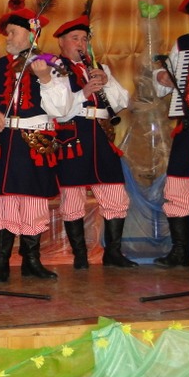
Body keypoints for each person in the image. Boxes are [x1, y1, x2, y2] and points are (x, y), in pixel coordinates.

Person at [0, 7, 72, 283]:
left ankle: (32, 260)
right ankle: (2, 262)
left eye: (12, 32)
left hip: (36, 141)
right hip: (8, 140)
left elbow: (62, 109)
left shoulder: (52, 63)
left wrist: (45, 79)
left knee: (33, 199)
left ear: (31, 34)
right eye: (7, 32)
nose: (7, 37)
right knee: (5, 199)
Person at [52, 13, 137, 269]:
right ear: (61, 42)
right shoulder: (55, 68)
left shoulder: (100, 67)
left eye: (84, 39)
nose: (81, 44)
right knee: (72, 195)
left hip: (100, 134)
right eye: (75, 38)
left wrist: (106, 82)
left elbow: (121, 102)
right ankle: (80, 255)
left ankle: (113, 253)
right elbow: (56, 109)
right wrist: (83, 93)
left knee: (114, 191)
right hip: (73, 134)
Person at [151, 0, 189, 267]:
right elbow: (165, 79)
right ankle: (180, 251)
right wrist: (162, 77)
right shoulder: (184, 43)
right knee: (178, 181)